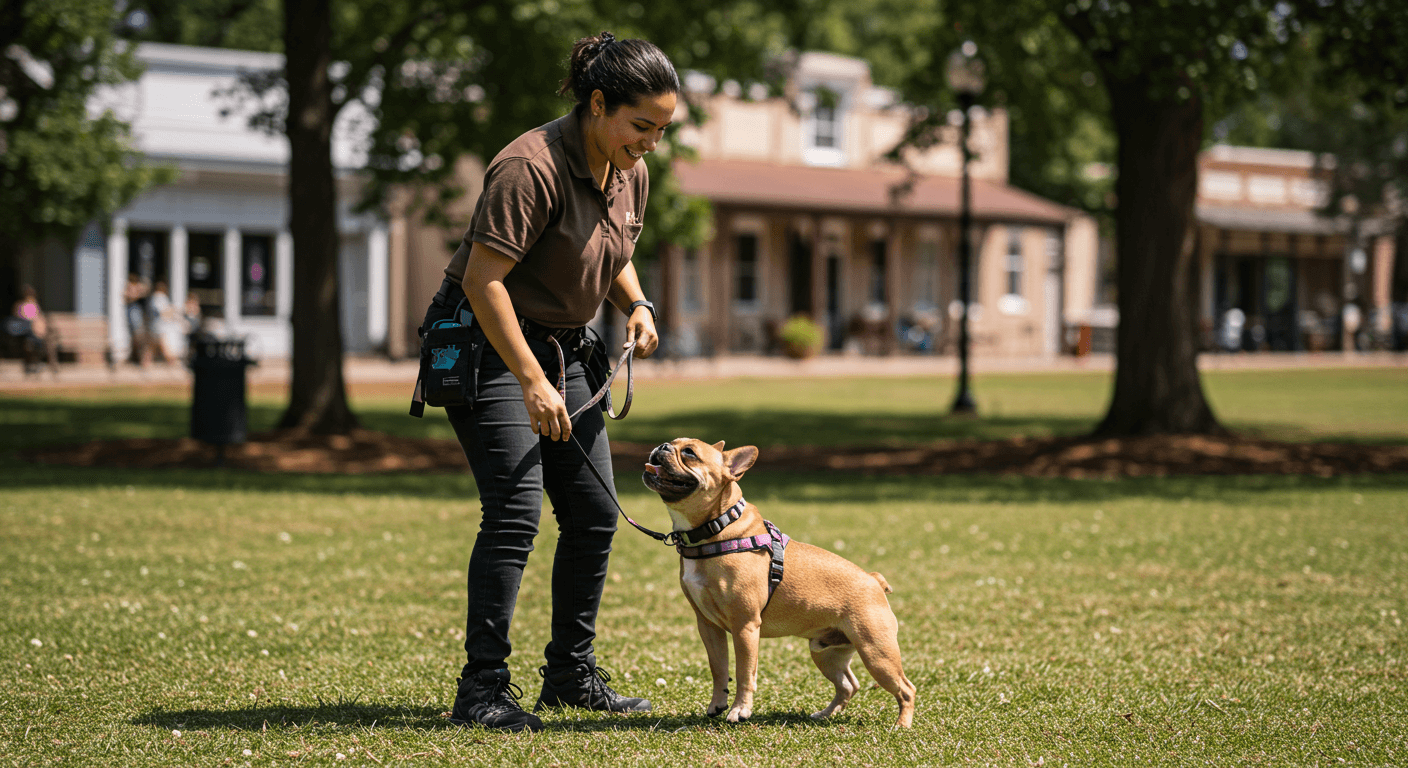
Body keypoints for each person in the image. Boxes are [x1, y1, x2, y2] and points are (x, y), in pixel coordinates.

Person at [423, 31, 672, 733]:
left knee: (593, 515)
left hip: (564, 347)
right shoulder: (528, 168)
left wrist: (638, 303)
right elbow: (484, 281)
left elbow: (611, 245)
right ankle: (481, 690)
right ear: (597, 104)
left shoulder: (628, 169)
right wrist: (532, 381)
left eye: (662, 129)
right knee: (514, 512)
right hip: (489, 342)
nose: (652, 142)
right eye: (642, 125)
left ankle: (569, 674)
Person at [8, 285, 56, 373]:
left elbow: (40, 319)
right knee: (30, 344)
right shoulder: (20, 306)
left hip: (38, 333)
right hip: (27, 333)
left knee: (48, 343)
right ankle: (34, 364)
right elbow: (20, 320)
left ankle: (46, 365)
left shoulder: (35, 305)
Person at [124, 273, 150, 365]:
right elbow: (127, 295)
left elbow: (145, 292)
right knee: (135, 336)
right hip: (131, 310)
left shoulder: (138, 287)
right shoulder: (129, 286)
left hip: (137, 311)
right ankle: (135, 358)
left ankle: (142, 359)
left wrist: (137, 292)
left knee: (139, 335)